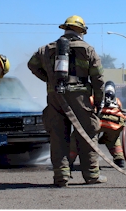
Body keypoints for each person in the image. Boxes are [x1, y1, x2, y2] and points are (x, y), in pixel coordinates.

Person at [28, 15, 106, 187]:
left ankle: (61, 176)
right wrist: (99, 101)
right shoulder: (88, 49)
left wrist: (49, 79)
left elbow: (32, 64)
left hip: (55, 97)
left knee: (58, 136)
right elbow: (98, 78)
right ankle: (92, 175)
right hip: (80, 98)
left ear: (65, 28)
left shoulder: (45, 49)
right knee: (87, 135)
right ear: (81, 31)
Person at [68, 81, 126, 169]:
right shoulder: (117, 101)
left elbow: (86, 109)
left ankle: (69, 162)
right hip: (115, 125)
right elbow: (121, 112)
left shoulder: (93, 98)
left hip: (99, 122)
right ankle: (119, 160)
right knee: (113, 140)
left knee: (77, 138)